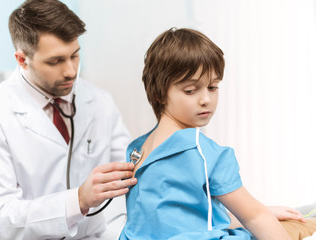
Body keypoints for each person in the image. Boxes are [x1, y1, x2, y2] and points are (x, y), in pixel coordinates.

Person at [0, 0, 137, 239]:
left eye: (75, 56)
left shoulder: (99, 101)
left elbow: (128, 168)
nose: (70, 71)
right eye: (55, 61)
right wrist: (78, 200)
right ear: (21, 59)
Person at [119, 27, 291, 239]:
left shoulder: (137, 151)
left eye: (212, 87)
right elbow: (255, 218)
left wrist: (265, 211)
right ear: (159, 94)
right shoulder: (204, 152)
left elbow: (182, 221)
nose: (206, 99)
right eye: (191, 90)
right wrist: (261, 214)